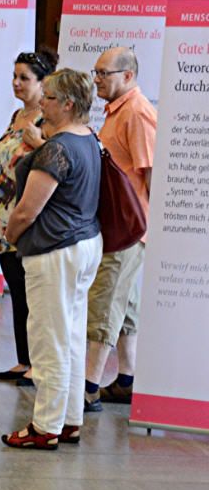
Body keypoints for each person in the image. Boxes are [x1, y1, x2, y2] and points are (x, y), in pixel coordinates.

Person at [2, 69, 102, 449]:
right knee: (71, 336)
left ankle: (44, 427)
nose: (41, 103)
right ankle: (69, 420)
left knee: (48, 340)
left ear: (68, 104)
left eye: (48, 98)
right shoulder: (87, 139)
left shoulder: (56, 149)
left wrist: (10, 235)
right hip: (83, 244)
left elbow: (28, 210)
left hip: (54, 250)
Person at [83, 47, 155, 411]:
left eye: (103, 73)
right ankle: (126, 380)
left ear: (127, 76)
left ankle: (88, 387)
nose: (96, 79)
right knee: (124, 304)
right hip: (118, 226)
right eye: (95, 72)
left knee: (105, 302)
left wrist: (146, 229)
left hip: (128, 228)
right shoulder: (118, 111)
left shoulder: (138, 113)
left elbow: (153, 173)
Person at [0, 48, 58, 386]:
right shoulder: (18, 115)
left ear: (43, 84)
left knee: (34, 294)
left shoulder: (49, 122)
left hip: (28, 217)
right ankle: (23, 358)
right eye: (14, 77)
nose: (16, 83)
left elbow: (55, 163)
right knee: (16, 290)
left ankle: (38, 364)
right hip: (2, 219)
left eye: (24, 78)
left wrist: (39, 142)